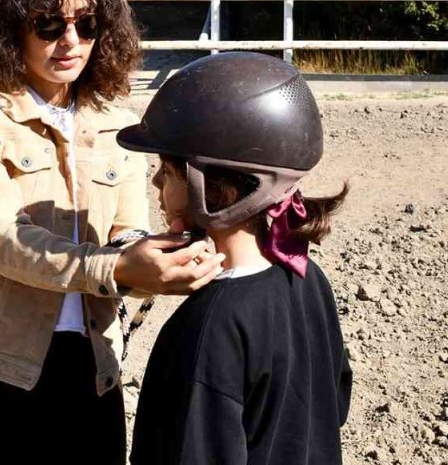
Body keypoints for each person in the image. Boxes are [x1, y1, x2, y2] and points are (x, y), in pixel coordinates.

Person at [0, 0, 225, 464]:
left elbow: (126, 230)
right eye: (48, 23)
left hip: (92, 365)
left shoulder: (118, 121)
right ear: (8, 21)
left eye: (87, 24)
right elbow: (2, 239)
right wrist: (119, 268)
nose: (71, 42)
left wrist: (157, 257)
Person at [121, 52, 354, 465]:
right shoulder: (307, 277)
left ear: (211, 188)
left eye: (167, 170)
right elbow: (335, 403)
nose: (155, 180)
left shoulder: (210, 327)